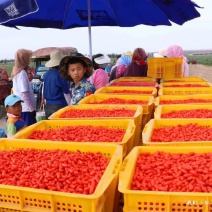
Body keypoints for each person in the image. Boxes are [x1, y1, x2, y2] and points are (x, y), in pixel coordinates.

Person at [42, 50, 71, 118]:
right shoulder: (61, 75)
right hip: (59, 105)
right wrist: (70, 105)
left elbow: (44, 88)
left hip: (48, 105)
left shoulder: (46, 74)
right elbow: (66, 93)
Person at [12, 49, 37, 126]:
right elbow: (24, 94)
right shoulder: (21, 73)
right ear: (24, 59)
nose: (29, 60)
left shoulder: (16, 71)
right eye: (28, 58)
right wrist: (31, 109)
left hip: (23, 107)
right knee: (30, 131)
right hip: (26, 109)